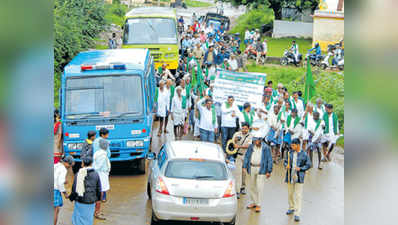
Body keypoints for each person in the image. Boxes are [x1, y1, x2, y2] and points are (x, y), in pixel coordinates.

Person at [284, 138, 312, 222]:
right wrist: (286, 165)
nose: (291, 146)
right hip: (290, 176)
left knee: (298, 195)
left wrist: (301, 168)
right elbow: (285, 161)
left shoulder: (304, 154)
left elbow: (309, 164)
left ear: (298, 145)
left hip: (299, 177)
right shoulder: (289, 153)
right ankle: (291, 207)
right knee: (290, 193)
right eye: (291, 145)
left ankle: (297, 213)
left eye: (293, 145)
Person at [243, 136, 273, 213]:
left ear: (260, 140)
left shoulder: (266, 148)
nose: (255, 142)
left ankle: (258, 204)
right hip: (252, 167)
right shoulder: (251, 147)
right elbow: (247, 156)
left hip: (261, 169)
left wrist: (269, 171)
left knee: (259, 187)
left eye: (257, 140)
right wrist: (244, 166)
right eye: (254, 140)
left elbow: (269, 159)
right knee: (252, 186)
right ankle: (254, 202)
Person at [69, 157, 102, 225]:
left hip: (80, 200)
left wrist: (71, 198)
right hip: (91, 201)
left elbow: (74, 188)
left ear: (83, 164)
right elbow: (99, 189)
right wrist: (98, 199)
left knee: (78, 220)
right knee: (88, 219)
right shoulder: (96, 174)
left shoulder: (78, 174)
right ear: (91, 164)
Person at [230, 122, 252, 198]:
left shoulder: (250, 136)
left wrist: (239, 145)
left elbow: (248, 146)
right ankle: (237, 191)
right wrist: (235, 140)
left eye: (246, 128)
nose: (244, 130)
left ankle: (243, 187)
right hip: (238, 156)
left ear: (248, 129)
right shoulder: (237, 134)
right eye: (243, 128)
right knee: (238, 173)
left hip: (246, 156)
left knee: (244, 172)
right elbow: (232, 143)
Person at [93, 139, 111, 220]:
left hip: (101, 174)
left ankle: (96, 211)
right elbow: (98, 167)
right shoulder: (102, 155)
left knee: (99, 193)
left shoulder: (98, 153)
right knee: (99, 194)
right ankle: (97, 212)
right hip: (101, 175)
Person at [54, 155, 75, 225]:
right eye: (70, 165)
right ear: (66, 163)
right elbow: (60, 183)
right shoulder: (63, 169)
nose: (70, 167)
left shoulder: (56, 165)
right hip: (55, 190)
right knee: (55, 211)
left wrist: (64, 181)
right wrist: (65, 193)